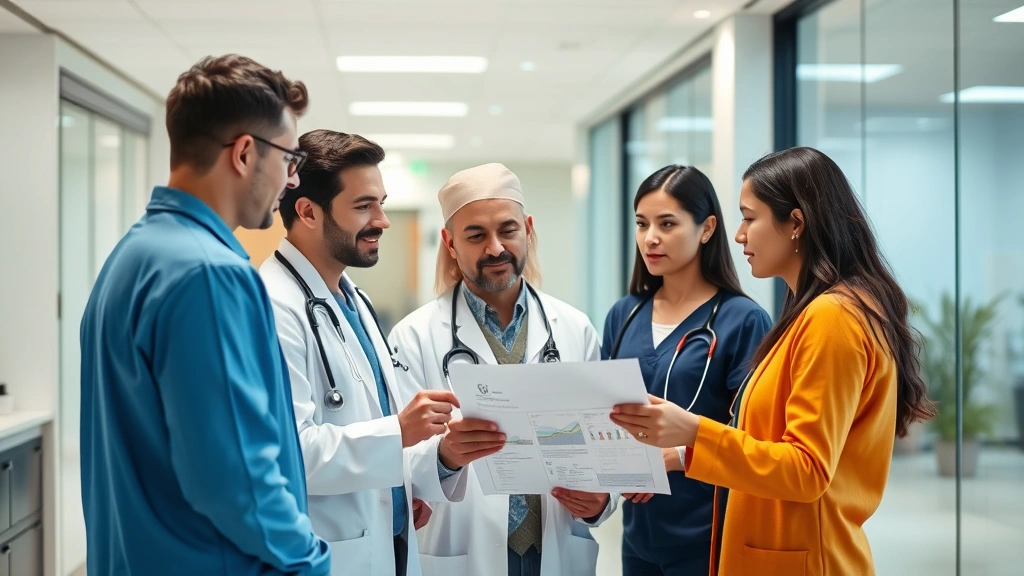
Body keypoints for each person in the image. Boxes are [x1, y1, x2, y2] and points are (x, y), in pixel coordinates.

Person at [611, 147, 936, 576]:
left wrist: (691, 429)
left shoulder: (833, 317)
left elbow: (805, 469)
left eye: (749, 217)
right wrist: (683, 455)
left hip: (803, 558)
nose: (740, 234)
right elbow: (768, 444)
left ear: (795, 224)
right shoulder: (810, 314)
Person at [79, 55, 331, 575]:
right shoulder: (209, 274)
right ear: (243, 153)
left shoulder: (132, 257)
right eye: (288, 159)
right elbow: (235, 477)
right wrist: (309, 561)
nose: (290, 180)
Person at [260, 129, 472, 576]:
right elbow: (289, 455)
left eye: (381, 202)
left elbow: (366, 426)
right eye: (363, 206)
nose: (382, 219)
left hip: (387, 541)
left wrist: (420, 475)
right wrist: (400, 430)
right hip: (332, 549)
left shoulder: (353, 298)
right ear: (307, 212)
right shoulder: (272, 306)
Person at [388, 163, 616, 576]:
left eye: (507, 230)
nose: (495, 247)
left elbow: (605, 439)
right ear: (450, 242)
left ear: (527, 229)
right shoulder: (414, 336)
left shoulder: (574, 328)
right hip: (463, 547)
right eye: (476, 235)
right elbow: (395, 457)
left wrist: (603, 501)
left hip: (555, 547)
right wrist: (445, 457)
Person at [602, 165, 771, 576]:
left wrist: (676, 455)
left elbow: (754, 437)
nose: (650, 238)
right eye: (642, 224)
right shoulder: (624, 315)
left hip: (708, 533)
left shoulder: (743, 321)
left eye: (667, 223)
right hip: (638, 534)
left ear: (707, 228)